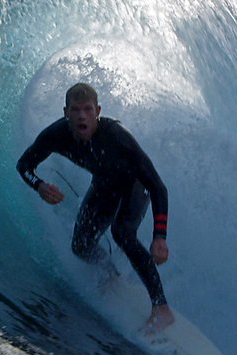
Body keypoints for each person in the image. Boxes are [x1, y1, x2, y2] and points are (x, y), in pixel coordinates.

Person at [17, 82, 174, 334]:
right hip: (104, 185)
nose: (81, 115)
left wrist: (160, 237)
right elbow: (24, 164)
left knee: (121, 232)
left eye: (87, 109)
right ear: (65, 111)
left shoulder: (116, 137)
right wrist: (39, 186)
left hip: (135, 186)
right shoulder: (56, 135)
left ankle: (161, 308)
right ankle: (111, 277)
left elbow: (157, 186)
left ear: (97, 110)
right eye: (75, 110)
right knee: (80, 245)